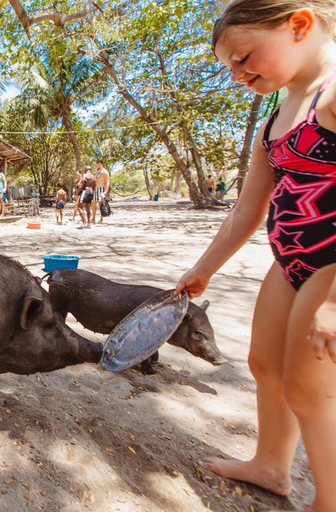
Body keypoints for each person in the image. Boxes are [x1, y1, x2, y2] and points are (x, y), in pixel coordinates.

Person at [176, 3, 336, 510]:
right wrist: (203, 268)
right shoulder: (273, 123)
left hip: (331, 267)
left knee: (309, 392)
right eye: (229, 66)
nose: (237, 74)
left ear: (299, 25)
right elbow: (246, 212)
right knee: (265, 365)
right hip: (289, 262)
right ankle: (271, 464)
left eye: (243, 58)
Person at [92, 159, 110, 224]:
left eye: (96, 164)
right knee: (93, 203)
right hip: (96, 190)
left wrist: (106, 191)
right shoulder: (99, 172)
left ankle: (101, 218)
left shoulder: (105, 172)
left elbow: (108, 182)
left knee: (100, 204)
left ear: (99, 163)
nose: (96, 166)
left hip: (101, 189)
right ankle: (93, 218)